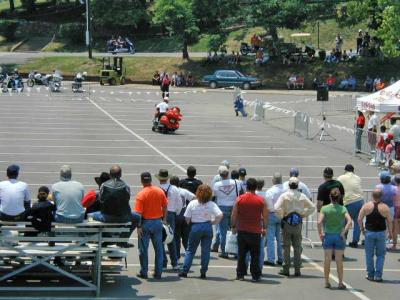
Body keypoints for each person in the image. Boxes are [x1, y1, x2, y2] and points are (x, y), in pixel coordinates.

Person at [179, 184, 223, 279]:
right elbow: (220, 215)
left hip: (196, 226)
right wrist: (213, 222)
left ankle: (185, 271)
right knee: (206, 251)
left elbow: (187, 217)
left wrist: (190, 224)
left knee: (190, 250)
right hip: (207, 226)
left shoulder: (193, 203)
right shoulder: (211, 204)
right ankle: (203, 272)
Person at [90, 165, 140, 247]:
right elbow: (126, 199)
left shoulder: (104, 185)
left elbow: (101, 200)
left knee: (90, 215)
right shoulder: (126, 186)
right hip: (123, 217)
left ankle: (104, 239)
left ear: (110, 175)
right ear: (120, 174)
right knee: (137, 217)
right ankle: (123, 240)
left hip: (107, 217)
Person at [274, 177, 315, 276]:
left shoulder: (284, 195)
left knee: (286, 246)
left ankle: (286, 268)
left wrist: (282, 214)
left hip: (287, 222)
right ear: (297, 185)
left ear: (289, 185)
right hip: (298, 223)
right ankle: (297, 269)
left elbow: (276, 207)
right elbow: (312, 207)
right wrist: (303, 214)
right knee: (297, 246)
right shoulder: (302, 196)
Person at [231, 178, 268, 282]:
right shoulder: (261, 200)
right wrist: (265, 228)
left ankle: (240, 274)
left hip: (242, 230)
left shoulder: (240, 199)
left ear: (246, 186)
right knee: (255, 255)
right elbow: (265, 216)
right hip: (255, 231)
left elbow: (234, 214)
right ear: (256, 187)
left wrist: (233, 226)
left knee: (242, 254)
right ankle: (255, 275)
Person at [135, 172, 168, 280]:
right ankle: (158, 272)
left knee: (143, 249)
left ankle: (144, 271)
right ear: (151, 180)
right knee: (159, 249)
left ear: (141, 181)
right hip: (158, 222)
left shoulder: (141, 194)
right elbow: (165, 206)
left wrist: (138, 226)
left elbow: (138, 213)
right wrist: (164, 219)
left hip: (145, 223)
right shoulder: (159, 191)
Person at [318, 188, 352, 289]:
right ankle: (340, 282)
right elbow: (349, 221)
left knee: (327, 259)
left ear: (330, 197)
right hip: (339, 236)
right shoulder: (343, 209)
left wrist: (321, 233)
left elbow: (319, 222)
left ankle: (326, 282)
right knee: (339, 260)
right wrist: (344, 232)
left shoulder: (325, 208)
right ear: (339, 197)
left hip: (328, 235)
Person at [358, 189, 393, 282]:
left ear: (372, 196)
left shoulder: (367, 206)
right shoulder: (385, 207)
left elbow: (359, 219)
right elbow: (390, 221)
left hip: (369, 232)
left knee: (369, 254)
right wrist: (390, 233)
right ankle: (378, 275)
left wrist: (362, 229)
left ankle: (370, 274)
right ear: (381, 197)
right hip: (381, 233)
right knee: (381, 255)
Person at [156, 169, 183, 270]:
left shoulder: (156, 189)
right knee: (171, 238)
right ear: (167, 178)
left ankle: (163, 262)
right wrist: (176, 212)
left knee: (159, 239)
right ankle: (174, 263)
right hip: (171, 213)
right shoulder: (174, 189)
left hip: (158, 214)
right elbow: (180, 203)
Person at [212, 166, 241, 258]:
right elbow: (240, 192)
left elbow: (215, 195)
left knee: (223, 231)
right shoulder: (236, 182)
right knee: (234, 229)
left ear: (220, 175)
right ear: (228, 174)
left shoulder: (217, 185)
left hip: (222, 208)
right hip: (234, 207)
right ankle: (235, 250)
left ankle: (224, 251)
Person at [337, 164, 364, 248]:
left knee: (345, 222)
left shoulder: (341, 177)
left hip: (348, 202)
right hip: (359, 201)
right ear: (353, 171)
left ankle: (343, 238)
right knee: (357, 221)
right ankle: (355, 241)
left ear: (345, 170)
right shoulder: (358, 178)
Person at [170, 176, 195, 260]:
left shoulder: (170, 191)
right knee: (186, 237)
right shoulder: (183, 191)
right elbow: (194, 197)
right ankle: (189, 255)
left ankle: (176, 256)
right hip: (184, 214)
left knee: (176, 237)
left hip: (175, 214)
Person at [264, 173, 285, 266]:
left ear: (273, 180)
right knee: (280, 239)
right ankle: (281, 258)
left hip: (272, 214)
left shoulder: (270, 191)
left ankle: (271, 259)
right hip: (283, 215)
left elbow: (268, 205)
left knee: (270, 239)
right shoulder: (285, 189)